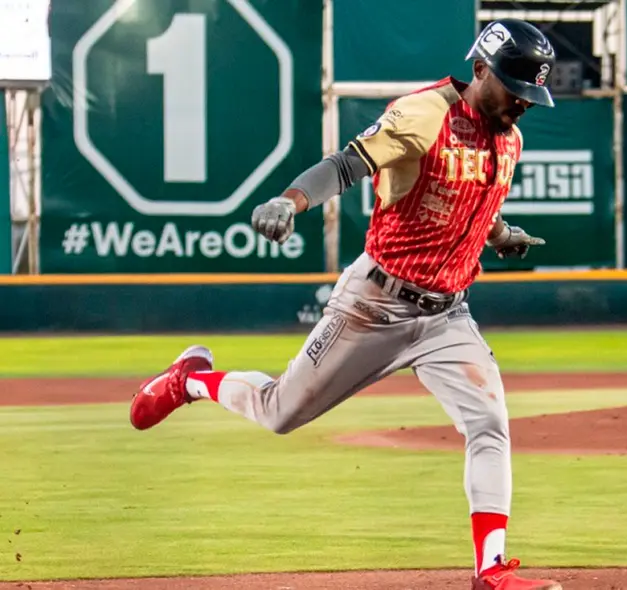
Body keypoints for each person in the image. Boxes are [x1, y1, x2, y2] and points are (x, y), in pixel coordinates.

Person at [130, 19, 563, 590]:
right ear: (481, 69)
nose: (524, 103)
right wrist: (290, 201)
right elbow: (345, 165)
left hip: (447, 316)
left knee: (489, 424)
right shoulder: (423, 114)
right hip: (375, 305)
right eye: (515, 88)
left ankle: (491, 571)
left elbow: (470, 199)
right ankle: (189, 380)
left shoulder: (510, 139)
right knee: (280, 412)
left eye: (532, 93)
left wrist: (500, 234)